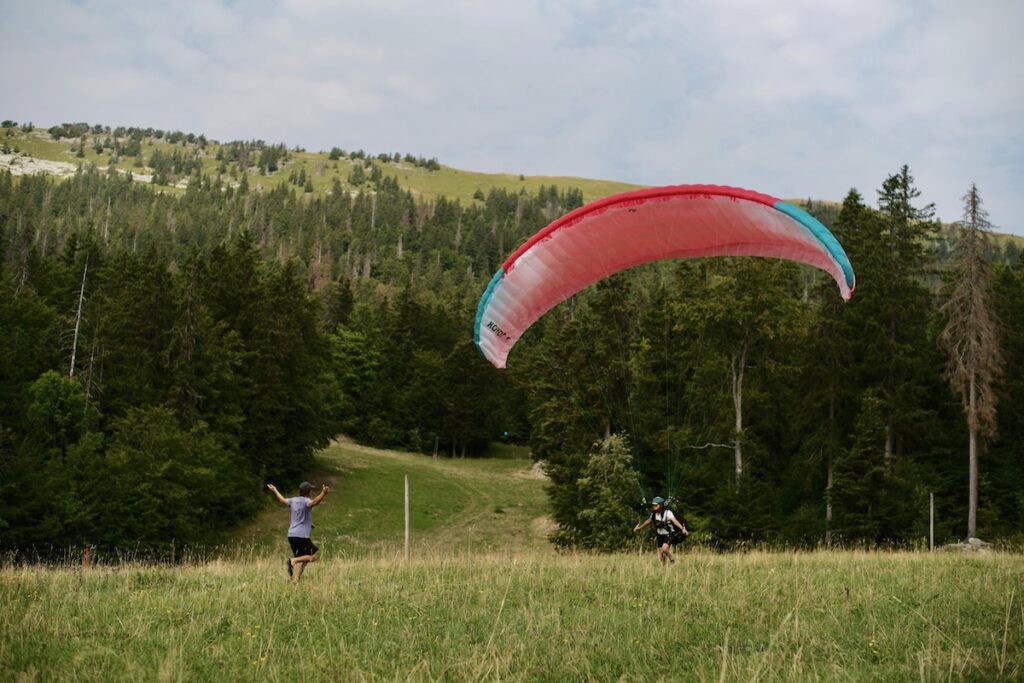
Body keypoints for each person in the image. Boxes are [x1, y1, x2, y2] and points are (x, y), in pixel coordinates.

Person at [266, 481, 330, 582]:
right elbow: (314, 503)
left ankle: (295, 580)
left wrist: (274, 490)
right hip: (301, 536)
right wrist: (323, 493)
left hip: (291, 535)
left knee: (303, 560)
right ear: (308, 491)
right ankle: (293, 560)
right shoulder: (306, 501)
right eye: (311, 490)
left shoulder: (293, 500)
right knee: (313, 557)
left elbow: (282, 500)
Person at [633, 496, 688, 565]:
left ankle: (672, 560)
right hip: (659, 535)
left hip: (669, 533)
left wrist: (682, 529)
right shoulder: (654, 513)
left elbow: (675, 521)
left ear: (661, 505)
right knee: (661, 555)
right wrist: (640, 528)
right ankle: (664, 568)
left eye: (656, 505)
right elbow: (649, 521)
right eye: (653, 505)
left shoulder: (667, 512)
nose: (654, 506)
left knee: (664, 549)